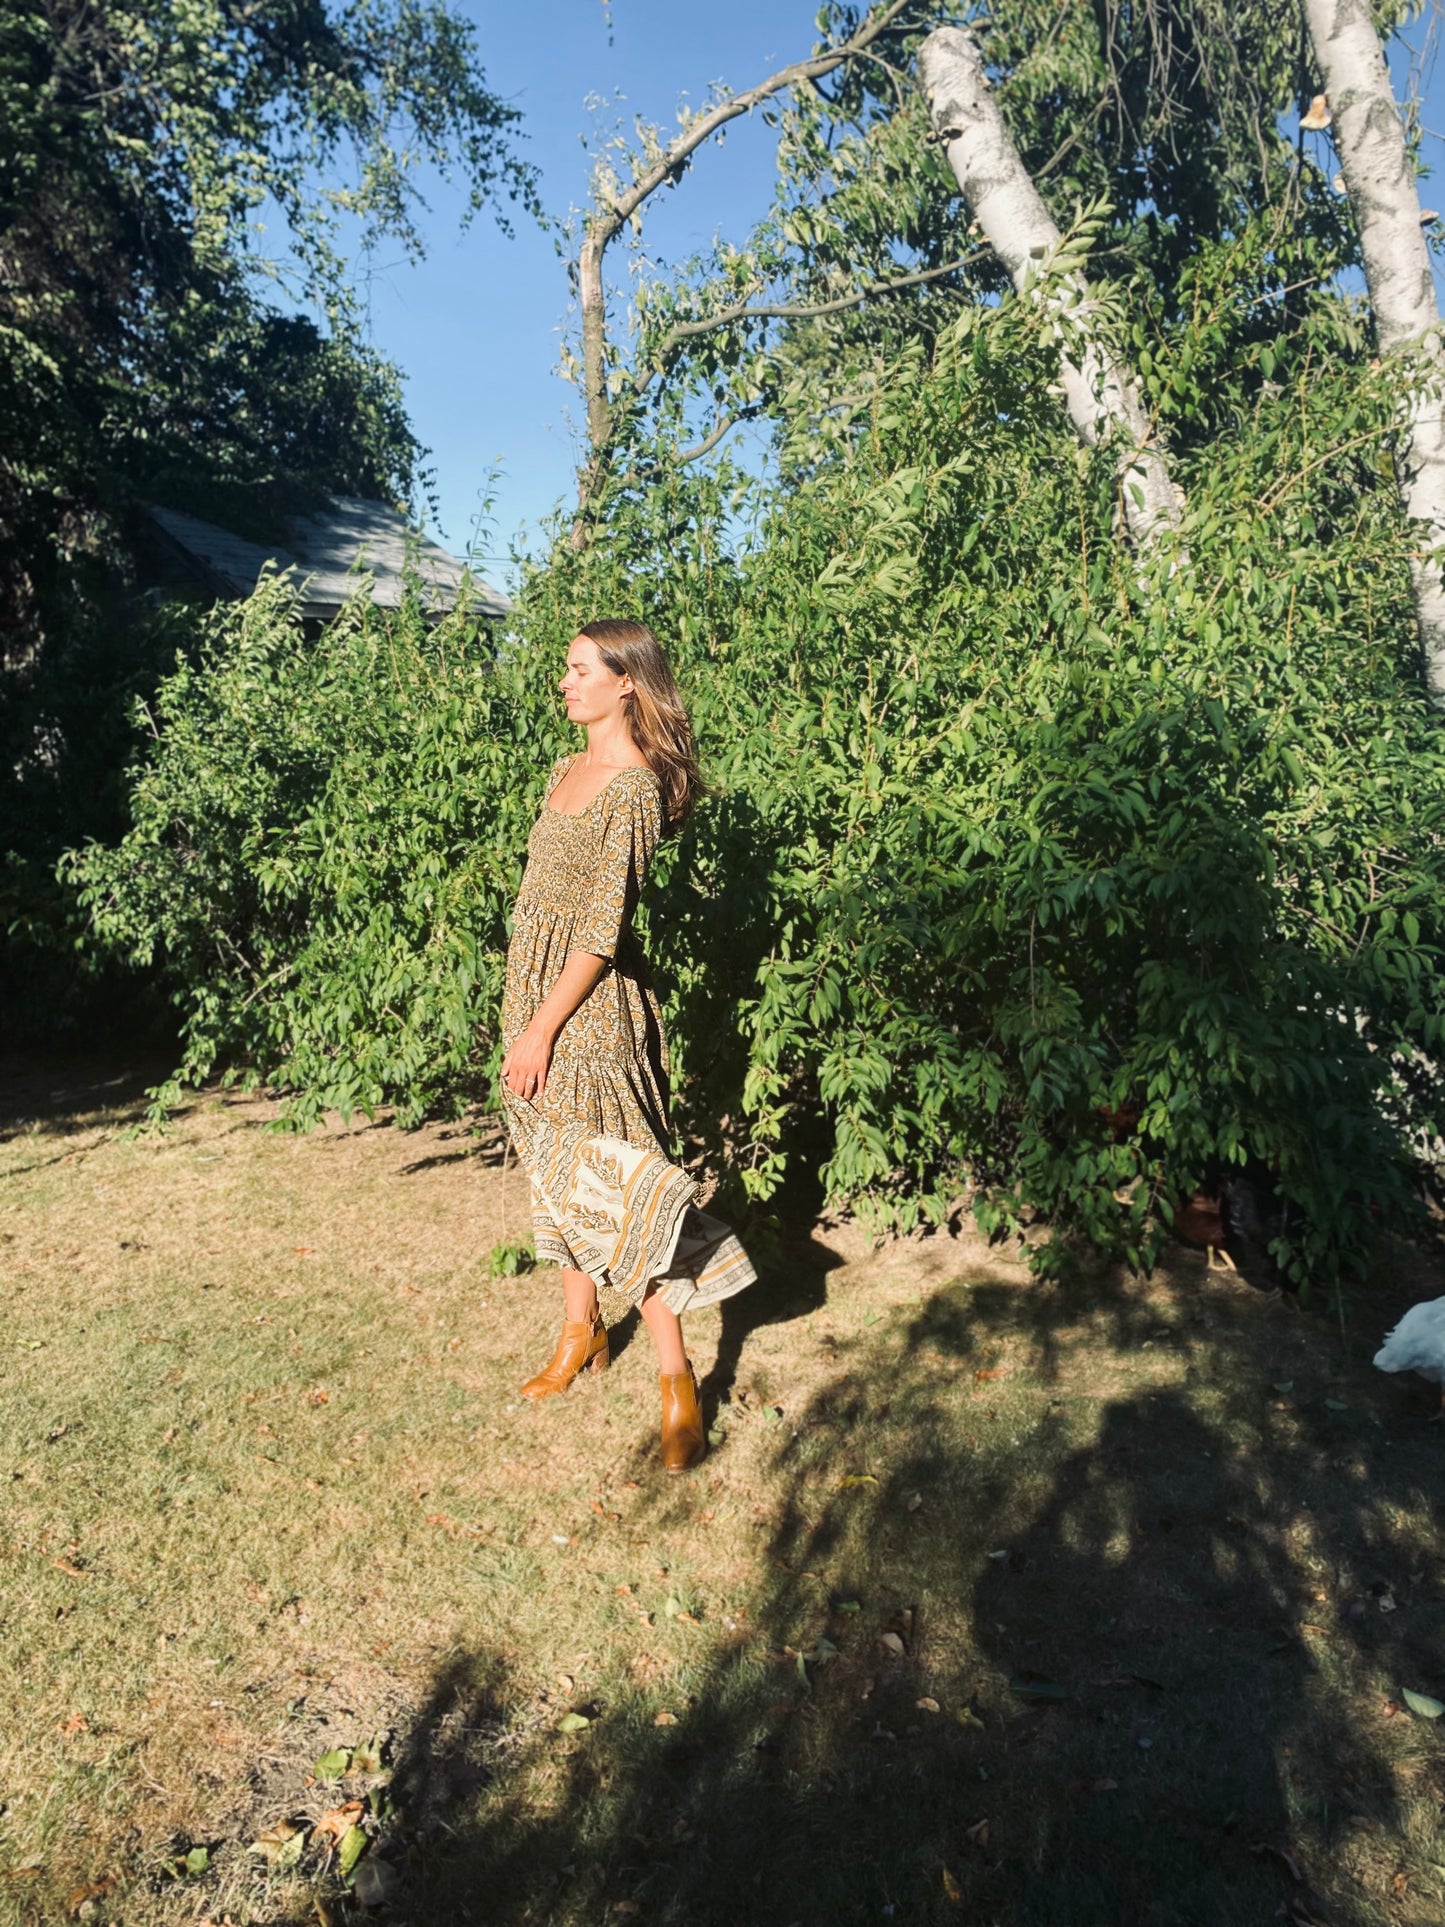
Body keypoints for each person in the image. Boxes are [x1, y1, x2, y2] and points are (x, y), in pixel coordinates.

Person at [499, 619, 755, 1471]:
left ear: (626, 685)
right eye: (564, 669)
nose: (563, 683)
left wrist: (542, 1027)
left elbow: (600, 932)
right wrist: (523, 1010)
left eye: (577, 671)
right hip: (532, 992)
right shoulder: (563, 770)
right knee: (557, 1170)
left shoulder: (634, 789)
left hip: (588, 1009)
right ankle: (580, 1335)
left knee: (615, 1186)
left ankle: (679, 1384)